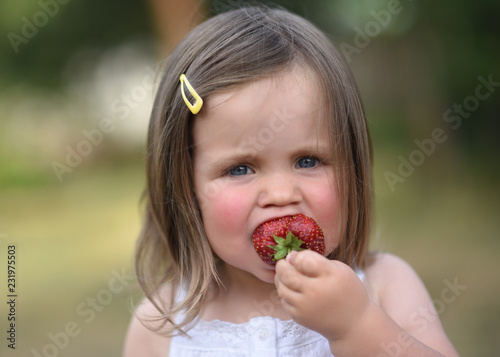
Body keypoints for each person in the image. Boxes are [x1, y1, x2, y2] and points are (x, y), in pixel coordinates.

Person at [123, 6, 459, 356]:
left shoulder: (384, 285)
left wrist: (356, 326)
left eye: (308, 161)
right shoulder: (161, 324)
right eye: (240, 169)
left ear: (353, 166)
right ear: (185, 186)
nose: (282, 195)